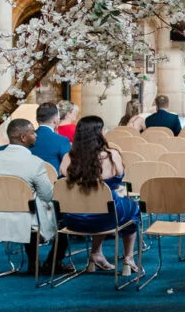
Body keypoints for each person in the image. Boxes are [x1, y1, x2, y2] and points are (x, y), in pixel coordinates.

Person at [0, 118, 68, 274]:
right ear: (23, 137)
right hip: (28, 217)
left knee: (29, 205)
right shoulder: (34, 162)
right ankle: (52, 263)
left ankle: (33, 262)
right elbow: (48, 195)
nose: (36, 135)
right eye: (32, 132)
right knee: (62, 217)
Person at [59, 115, 141, 274]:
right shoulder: (111, 155)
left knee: (99, 204)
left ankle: (96, 254)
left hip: (72, 218)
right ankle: (128, 258)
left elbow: (62, 182)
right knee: (132, 209)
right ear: (100, 133)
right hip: (107, 218)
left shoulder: (68, 157)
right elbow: (120, 177)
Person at [31, 102, 71, 171]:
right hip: (54, 180)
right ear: (55, 120)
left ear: (37, 119)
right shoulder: (62, 140)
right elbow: (68, 166)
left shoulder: (27, 138)